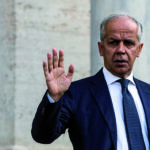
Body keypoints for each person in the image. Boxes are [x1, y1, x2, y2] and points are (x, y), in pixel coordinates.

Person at [31, 14, 150, 150]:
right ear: (101, 48)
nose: (121, 50)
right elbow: (42, 136)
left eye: (129, 43)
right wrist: (54, 98)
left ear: (139, 49)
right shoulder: (76, 93)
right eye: (113, 42)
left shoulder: (148, 94)